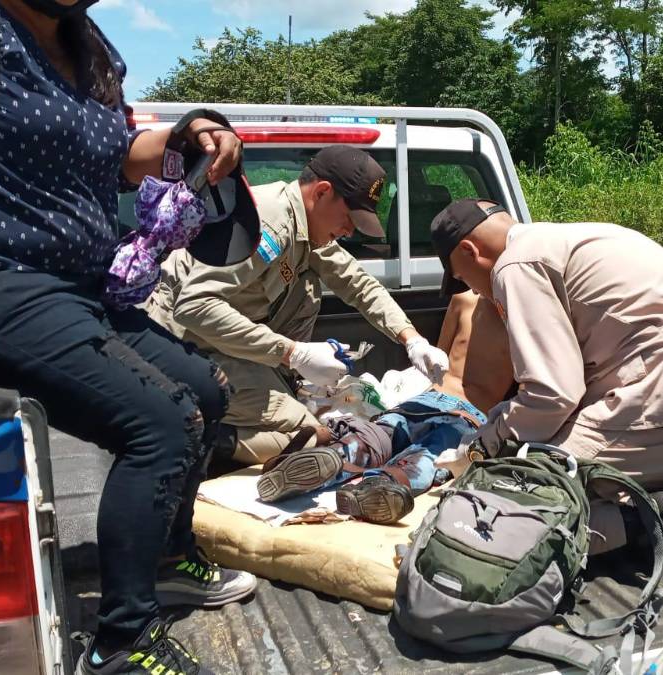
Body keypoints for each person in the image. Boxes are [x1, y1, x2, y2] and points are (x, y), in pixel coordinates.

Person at [0, 1, 256, 673]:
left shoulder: (83, 45)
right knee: (164, 421)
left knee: (204, 391)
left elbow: (118, 159)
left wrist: (190, 135)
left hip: (76, 288)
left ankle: (162, 556)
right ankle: (123, 643)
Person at [429, 199, 663, 587]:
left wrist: (486, 443)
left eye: (464, 279)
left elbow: (552, 395)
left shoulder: (515, 266)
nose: (472, 291)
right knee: (545, 471)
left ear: (470, 251)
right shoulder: (562, 239)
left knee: (522, 499)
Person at [147, 146, 451, 466]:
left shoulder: (308, 226)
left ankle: (203, 429)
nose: (350, 231)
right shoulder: (268, 223)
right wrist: (293, 353)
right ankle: (188, 439)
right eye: (349, 218)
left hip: (227, 349)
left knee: (309, 422)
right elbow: (193, 306)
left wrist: (412, 339)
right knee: (307, 432)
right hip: (181, 346)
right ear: (321, 192)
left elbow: (358, 284)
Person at [254, 290, 515, 524]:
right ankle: (375, 484)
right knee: (426, 461)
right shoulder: (513, 315)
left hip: (435, 404)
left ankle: (338, 462)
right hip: (460, 412)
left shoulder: (473, 303)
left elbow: (436, 359)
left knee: (377, 441)